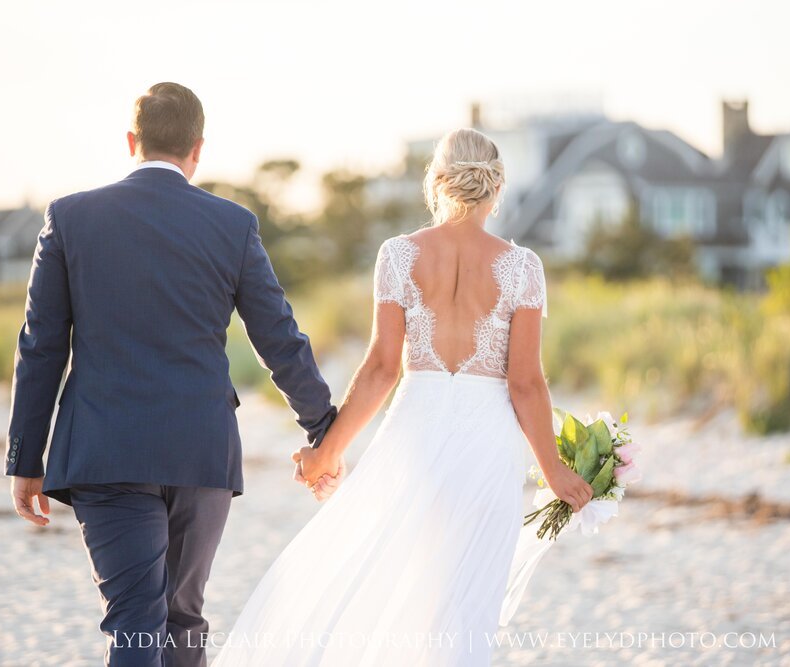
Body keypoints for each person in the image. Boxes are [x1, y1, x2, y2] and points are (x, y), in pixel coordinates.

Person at [212, 128, 592, 666]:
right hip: (487, 445)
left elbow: (381, 369)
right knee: (465, 597)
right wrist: (552, 471)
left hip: (415, 433)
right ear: (496, 187)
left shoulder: (398, 255)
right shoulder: (523, 267)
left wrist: (328, 451)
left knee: (397, 576)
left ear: (435, 182)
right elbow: (525, 383)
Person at [5, 82, 342, 667]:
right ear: (198, 149)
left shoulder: (70, 216)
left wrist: (25, 458)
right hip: (201, 453)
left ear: (132, 141)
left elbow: (41, 347)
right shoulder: (232, 225)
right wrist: (324, 430)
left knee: (137, 620)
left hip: (106, 450)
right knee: (183, 618)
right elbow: (279, 340)